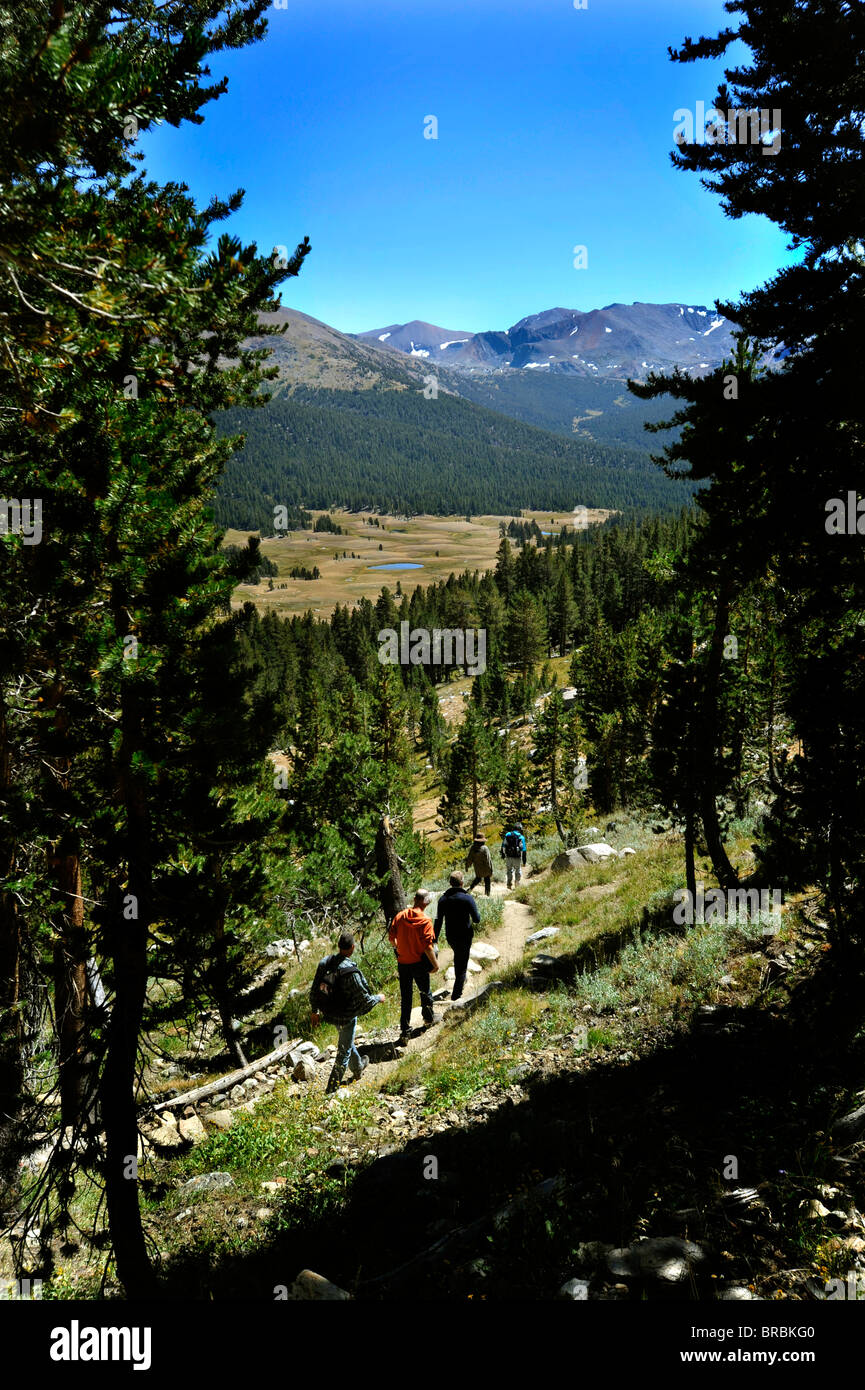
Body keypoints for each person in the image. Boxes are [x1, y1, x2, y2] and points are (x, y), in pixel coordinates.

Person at [310, 930, 385, 1094]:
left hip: (329, 1013)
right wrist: (378, 998)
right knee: (343, 1051)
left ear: (338, 946)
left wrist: (314, 1011)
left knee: (347, 1040)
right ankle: (331, 1088)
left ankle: (358, 1068)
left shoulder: (325, 962)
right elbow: (364, 1000)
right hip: (347, 1016)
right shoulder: (351, 972)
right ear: (352, 948)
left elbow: (315, 989)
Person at [389, 890, 439, 1043]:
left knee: (406, 997)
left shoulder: (400, 916)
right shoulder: (425, 921)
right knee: (424, 991)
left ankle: (405, 1030)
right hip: (418, 963)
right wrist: (435, 965)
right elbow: (428, 947)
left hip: (403, 963)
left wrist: (399, 950)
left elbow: (392, 939)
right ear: (426, 902)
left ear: (415, 899)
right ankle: (429, 1019)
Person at [434, 871, 480, 1001]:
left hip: (451, 936)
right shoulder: (467, 898)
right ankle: (456, 994)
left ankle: (459, 983)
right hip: (465, 935)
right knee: (462, 963)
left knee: (458, 957)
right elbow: (476, 919)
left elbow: (438, 921)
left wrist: (434, 939)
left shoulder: (443, 899)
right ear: (462, 883)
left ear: (450, 883)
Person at [501, 822, 528, 888]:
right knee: (518, 870)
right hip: (517, 857)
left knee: (509, 870)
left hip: (508, 856)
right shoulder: (521, 837)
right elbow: (524, 851)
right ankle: (517, 883)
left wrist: (503, 855)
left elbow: (503, 845)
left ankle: (509, 883)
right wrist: (524, 862)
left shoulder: (508, 834)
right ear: (520, 829)